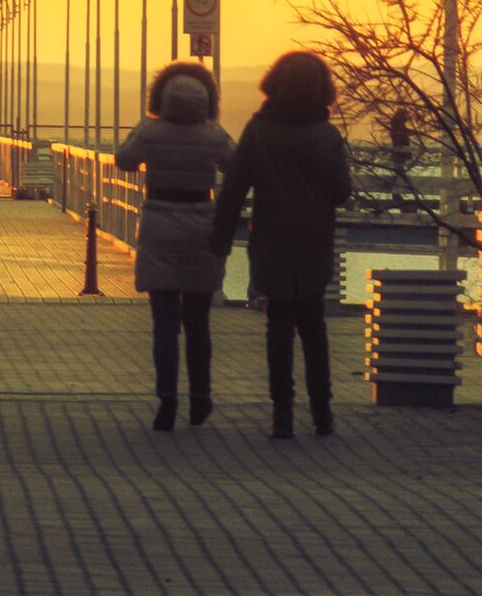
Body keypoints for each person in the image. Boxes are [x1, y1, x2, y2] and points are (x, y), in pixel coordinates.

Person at [212, 50, 355, 439]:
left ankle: (283, 415)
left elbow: (234, 189)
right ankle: (323, 414)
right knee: (313, 325)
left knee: (278, 326)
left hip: (271, 238)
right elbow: (343, 190)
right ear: (323, 89)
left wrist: (221, 240)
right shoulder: (327, 135)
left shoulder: (259, 131)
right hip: (314, 239)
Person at [116, 61, 235, 430]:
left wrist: (143, 128)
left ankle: (166, 401)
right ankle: (201, 397)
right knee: (198, 323)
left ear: (160, 96)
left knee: (164, 325)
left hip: (160, 226)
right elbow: (237, 165)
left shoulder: (151, 131)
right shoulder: (214, 134)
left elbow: (124, 161)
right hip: (201, 223)